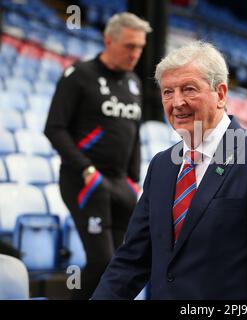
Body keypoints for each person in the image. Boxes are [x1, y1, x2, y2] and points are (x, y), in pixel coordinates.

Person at [91, 41, 247, 299]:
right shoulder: (162, 165)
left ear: (220, 94)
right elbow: (132, 259)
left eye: (189, 89)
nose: (177, 102)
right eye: (167, 92)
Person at [44, 13, 151, 299]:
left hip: (121, 184)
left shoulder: (133, 83)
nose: (136, 53)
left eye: (140, 47)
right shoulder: (79, 75)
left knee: (123, 266)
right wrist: (85, 168)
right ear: (108, 40)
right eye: (130, 46)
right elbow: (54, 128)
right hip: (85, 181)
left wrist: (134, 180)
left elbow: (134, 135)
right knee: (103, 262)